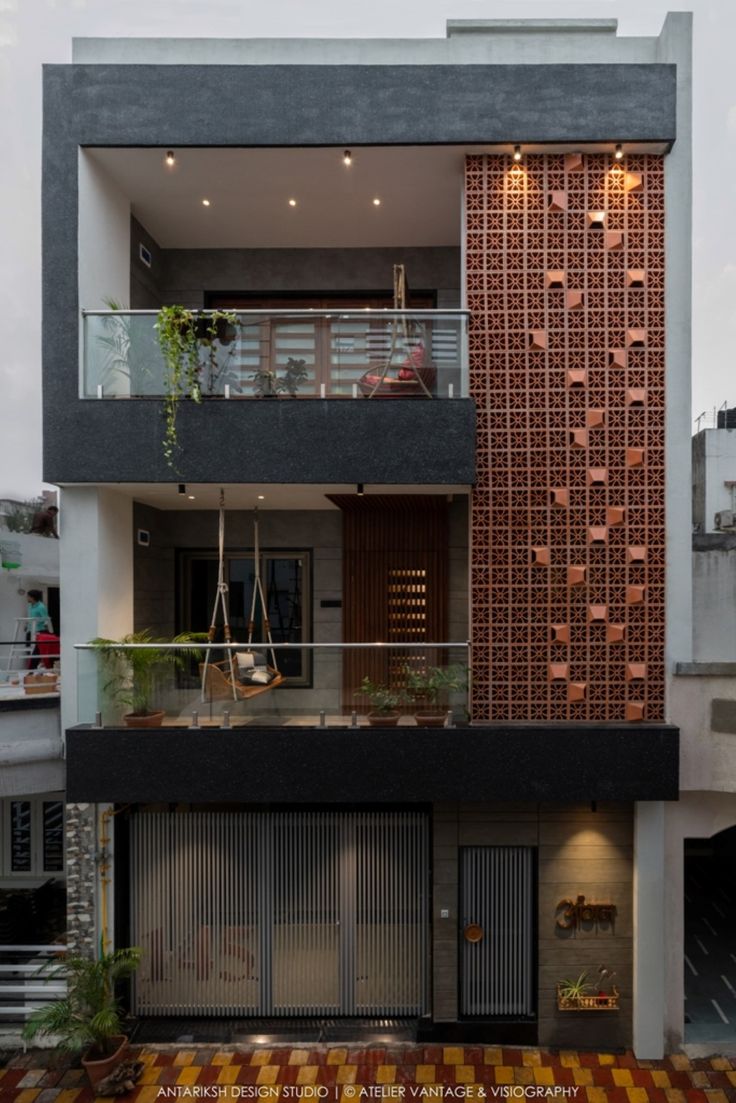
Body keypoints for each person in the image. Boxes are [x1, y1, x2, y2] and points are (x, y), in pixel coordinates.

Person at [26, 590, 50, 669]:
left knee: (37, 651)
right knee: (28, 649)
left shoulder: (41, 607)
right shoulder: (30, 606)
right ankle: (31, 668)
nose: (27, 598)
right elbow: (30, 617)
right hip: (30, 630)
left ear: (33, 597)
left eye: (28, 596)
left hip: (40, 631)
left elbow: (45, 619)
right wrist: (27, 625)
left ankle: (33, 669)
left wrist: (37, 621)